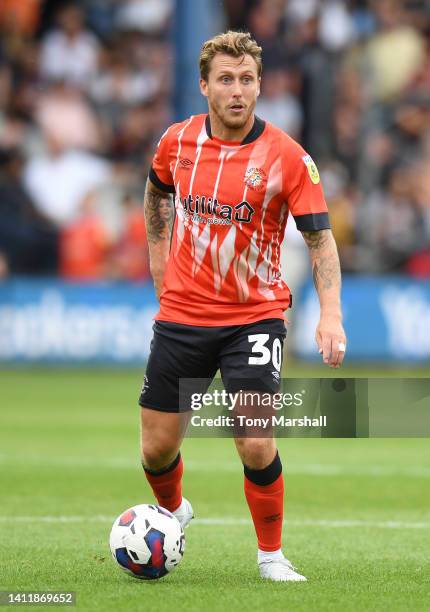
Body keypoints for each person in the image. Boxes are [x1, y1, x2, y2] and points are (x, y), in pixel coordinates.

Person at [140, 30, 346, 582]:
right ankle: (175, 509)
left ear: (260, 86)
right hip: (182, 314)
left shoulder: (287, 157)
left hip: (254, 316)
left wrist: (330, 314)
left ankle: (271, 555)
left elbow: (321, 241)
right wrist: (159, 256)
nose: (237, 91)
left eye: (247, 80)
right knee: (156, 450)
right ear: (204, 84)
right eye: (226, 80)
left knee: (255, 440)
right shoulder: (177, 142)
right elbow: (157, 191)